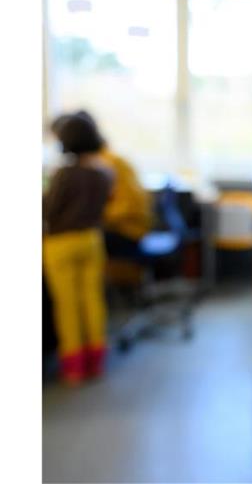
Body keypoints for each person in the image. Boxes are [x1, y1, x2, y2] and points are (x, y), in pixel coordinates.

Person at [43, 113, 113, 385]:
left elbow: (49, 209)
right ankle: (96, 360)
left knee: (67, 305)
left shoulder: (63, 174)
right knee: (92, 300)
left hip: (60, 242)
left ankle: (74, 366)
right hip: (91, 240)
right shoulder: (103, 174)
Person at [52, 111, 153, 260]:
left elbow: (127, 207)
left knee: (67, 241)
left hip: (127, 231)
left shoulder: (104, 165)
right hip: (122, 228)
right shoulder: (106, 160)